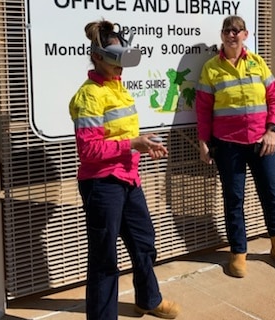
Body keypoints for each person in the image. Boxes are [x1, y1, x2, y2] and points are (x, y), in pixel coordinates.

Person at [69, 19, 180, 319]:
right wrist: (132, 144)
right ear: (96, 56)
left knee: (144, 243)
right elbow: (88, 151)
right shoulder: (90, 95)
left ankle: (148, 299)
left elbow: (123, 137)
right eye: (115, 58)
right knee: (105, 259)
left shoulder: (119, 89)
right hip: (102, 185)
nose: (121, 66)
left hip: (128, 181)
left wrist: (145, 143)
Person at [195, 15, 275, 278]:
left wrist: (272, 130)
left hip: (261, 143)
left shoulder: (258, 63)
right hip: (228, 145)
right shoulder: (211, 68)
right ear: (222, 35)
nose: (232, 34)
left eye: (236, 30)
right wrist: (203, 142)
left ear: (245, 34)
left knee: (272, 195)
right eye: (227, 30)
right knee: (234, 199)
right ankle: (238, 252)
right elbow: (203, 109)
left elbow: (274, 98)